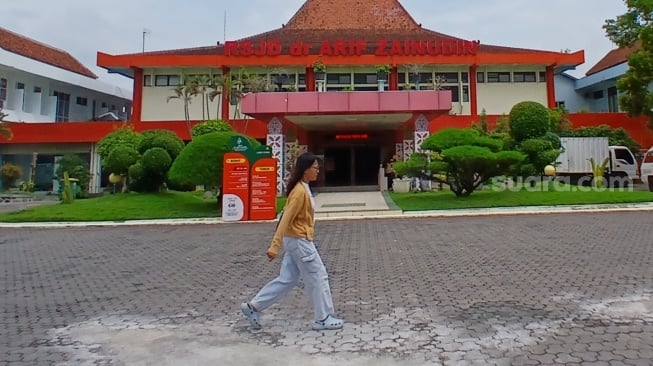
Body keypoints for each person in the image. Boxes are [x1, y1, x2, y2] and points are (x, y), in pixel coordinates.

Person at [240, 152, 344, 331]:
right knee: (318, 277)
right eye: (315, 168)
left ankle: (254, 307)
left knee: (287, 279)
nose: (317, 172)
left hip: (295, 241)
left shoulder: (303, 188)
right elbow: (285, 219)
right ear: (305, 170)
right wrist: (274, 246)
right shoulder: (299, 192)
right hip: (299, 242)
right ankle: (323, 318)